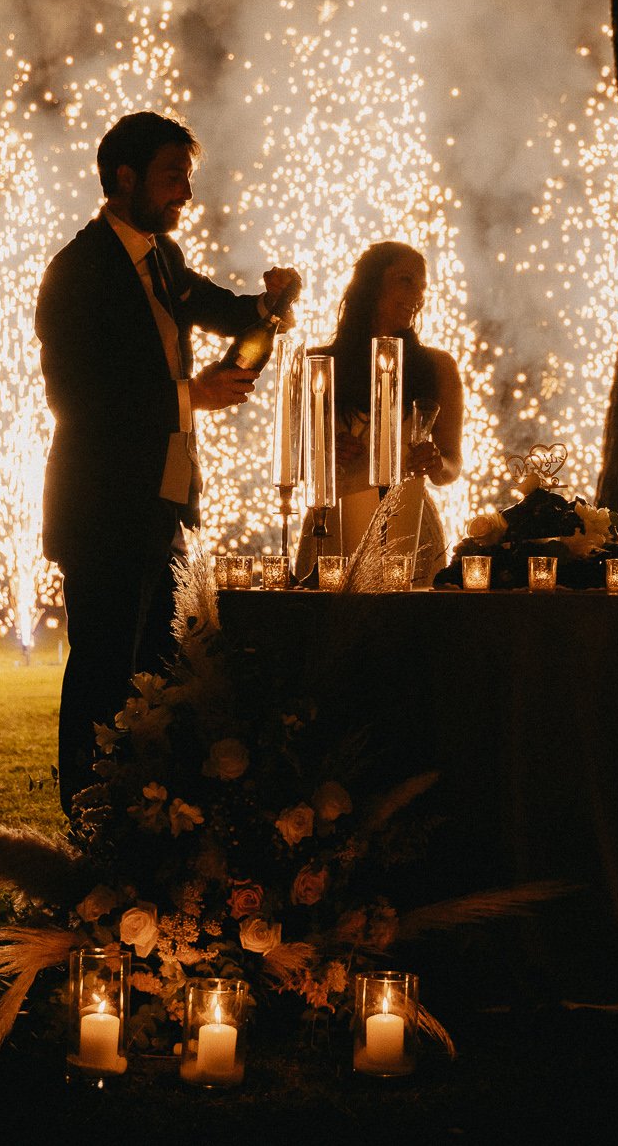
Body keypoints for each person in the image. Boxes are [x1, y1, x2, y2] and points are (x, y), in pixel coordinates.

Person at [36, 111, 299, 813]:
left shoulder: (164, 260)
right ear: (124, 177)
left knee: (156, 675)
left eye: (188, 176)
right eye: (172, 175)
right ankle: (87, 816)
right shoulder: (78, 270)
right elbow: (77, 396)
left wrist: (270, 311)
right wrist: (191, 393)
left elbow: (232, 317)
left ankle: (142, 818)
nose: (186, 192)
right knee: (102, 671)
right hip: (102, 508)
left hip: (165, 502)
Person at [303, 240, 464, 582]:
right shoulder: (321, 363)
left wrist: (436, 461)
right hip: (335, 520)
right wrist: (327, 451)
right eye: (406, 280)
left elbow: (452, 465)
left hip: (409, 523)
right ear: (371, 283)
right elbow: (299, 459)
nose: (417, 296)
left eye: (422, 287)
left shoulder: (438, 367)